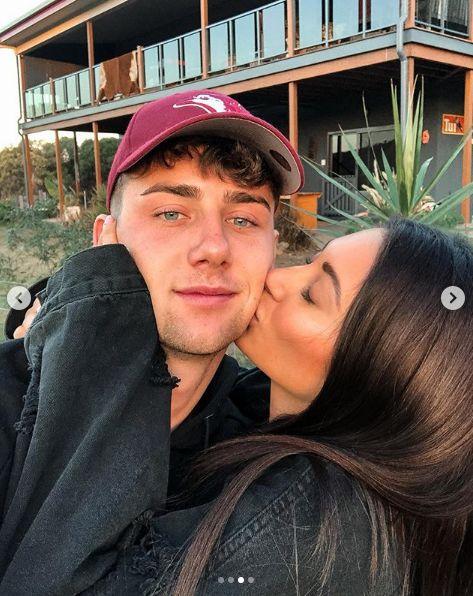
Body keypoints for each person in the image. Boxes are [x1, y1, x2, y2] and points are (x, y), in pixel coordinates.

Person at [3, 215, 472, 595]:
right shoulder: (249, 409)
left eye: (312, 295)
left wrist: (100, 321)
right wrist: (62, 336)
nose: (277, 279)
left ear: (380, 378)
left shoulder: (306, 533)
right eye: (308, 262)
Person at [0, 90, 302, 594]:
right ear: (106, 240)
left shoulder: (274, 449)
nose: (214, 248)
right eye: (170, 213)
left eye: (244, 219)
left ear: (272, 249)